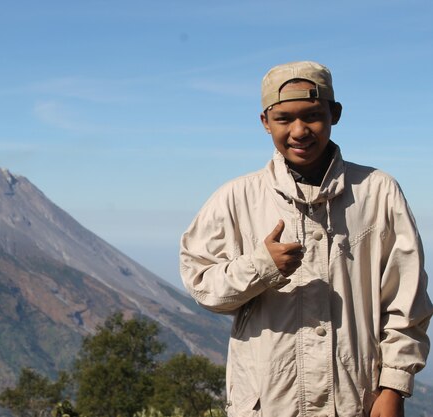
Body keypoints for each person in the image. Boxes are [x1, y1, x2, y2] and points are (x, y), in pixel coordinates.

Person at [179, 61, 433, 417]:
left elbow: (406, 299)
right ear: (265, 122)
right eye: (284, 118)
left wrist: (394, 386)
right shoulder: (236, 198)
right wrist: (261, 266)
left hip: (355, 401)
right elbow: (202, 283)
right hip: (267, 404)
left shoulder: (377, 193)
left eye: (313, 115)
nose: (299, 131)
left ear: (335, 114)